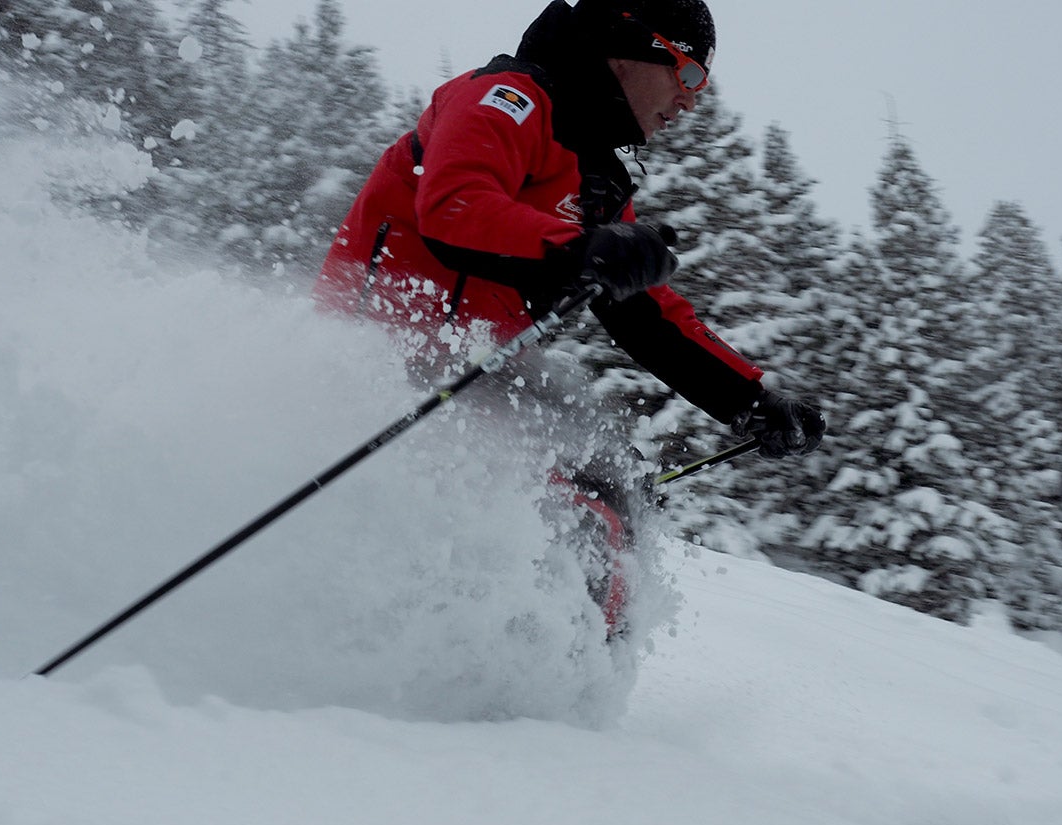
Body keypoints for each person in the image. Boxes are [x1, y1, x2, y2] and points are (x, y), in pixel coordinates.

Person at [314, 0, 824, 631]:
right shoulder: (506, 98)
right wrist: (587, 249)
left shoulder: (592, 170)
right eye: (689, 76)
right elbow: (455, 208)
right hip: (380, 357)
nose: (691, 102)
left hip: (474, 369)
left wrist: (750, 398)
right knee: (584, 484)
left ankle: (556, 683)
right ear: (633, 44)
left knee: (612, 481)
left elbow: (648, 316)